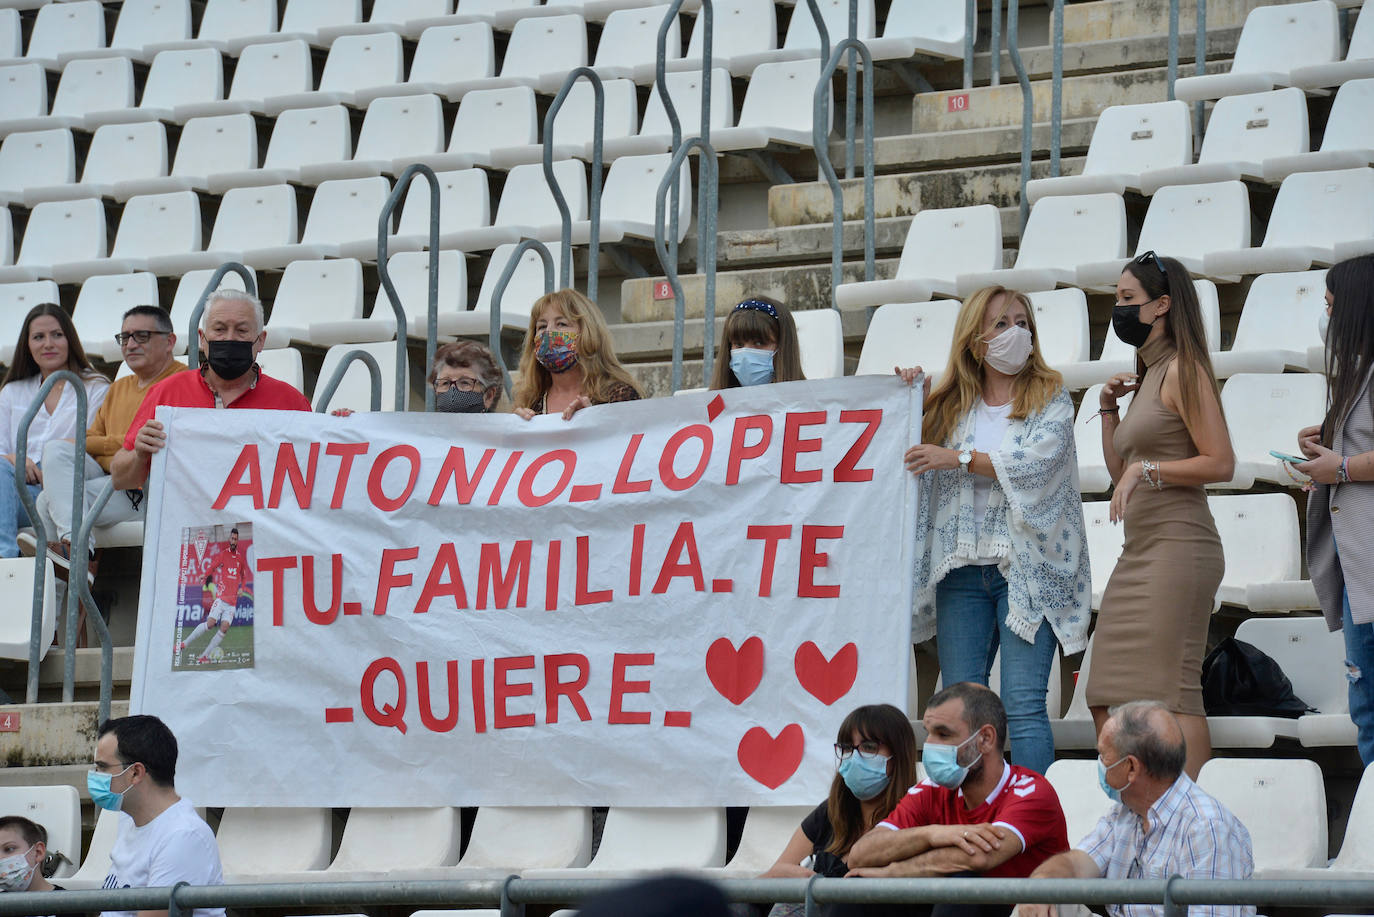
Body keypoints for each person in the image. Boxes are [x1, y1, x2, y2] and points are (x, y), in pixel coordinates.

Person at [900, 285, 1090, 775]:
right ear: (975, 339)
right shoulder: (946, 405)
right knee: (961, 708)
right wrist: (906, 402)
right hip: (960, 572)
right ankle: (971, 823)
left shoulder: (1051, 396)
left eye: (1023, 323)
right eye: (1002, 324)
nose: (1016, 334)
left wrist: (958, 458)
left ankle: (1032, 825)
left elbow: (1034, 466)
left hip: (1027, 570)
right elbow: (896, 458)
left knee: (1024, 706)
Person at [1086, 251, 1234, 780]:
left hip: (1180, 548)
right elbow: (1118, 471)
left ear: (1162, 306)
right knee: (1104, 696)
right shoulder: (1147, 374)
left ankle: (1194, 827)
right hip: (1140, 550)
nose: (1118, 309)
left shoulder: (1185, 369)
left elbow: (1221, 462)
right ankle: (1147, 806)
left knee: (1173, 696)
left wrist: (1147, 469)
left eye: (1128, 300)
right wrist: (1108, 411)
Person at [844, 683, 1069, 917]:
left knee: (962, 883)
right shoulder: (932, 790)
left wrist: (894, 873)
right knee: (855, 894)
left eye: (943, 734)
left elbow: (979, 856)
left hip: (1022, 911)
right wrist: (930, 834)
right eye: (928, 733)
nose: (929, 745)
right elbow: (860, 854)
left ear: (986, 739)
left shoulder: (1031, 791)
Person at [1018, 701, 1254, 917]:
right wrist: (1043, 882)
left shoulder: (1207, 828)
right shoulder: (1125, 813)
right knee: (1034, 904)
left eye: (1103, 755)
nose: (1100, 764)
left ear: (1131, 767)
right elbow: (1075, 863)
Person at [27, 306, 183, 575]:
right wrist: (123, 448)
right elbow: (86, 440)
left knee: (46, 503)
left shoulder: (183, 382)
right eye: (125, 338)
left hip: (149, 491)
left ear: (169, 342)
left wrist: (119, 449)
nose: (131, 345)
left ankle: (71, 569)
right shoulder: (120, 386)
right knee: (56, 451)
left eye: (141, 336)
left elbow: (156, 448)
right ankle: (77, 552)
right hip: (114, 482)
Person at [110, 291, 311, 491]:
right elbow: (120, 480)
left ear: (260, 340)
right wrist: (139, 454)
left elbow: (314, 472)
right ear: (202, 338)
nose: (229, 338)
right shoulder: (166, 393)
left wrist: (341, 428)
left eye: (241, 331)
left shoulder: (291, 401)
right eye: (219, 329)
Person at [1297, 253, 1374, 766]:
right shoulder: (1356, 372)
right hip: (1356, 567)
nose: (1325, 318)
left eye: (1330, 306)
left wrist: (1342, 468)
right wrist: (1324, 445)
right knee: (1365, 710)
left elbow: (1354, 462)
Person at [761, 704, 917, 897]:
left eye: (869, 747)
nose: (855, 757)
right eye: (846, 747)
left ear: (898, 756)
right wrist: (779, 875)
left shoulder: (916, 817)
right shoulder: (830, 812)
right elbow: (763, 885)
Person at [0, 303, 109, 558]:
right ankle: (6, 559)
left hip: (71, 488)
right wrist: (14, 459)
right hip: (20, 491)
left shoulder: (95, 387)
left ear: (69, 339)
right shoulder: (12, 392)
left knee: (56, 453)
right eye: (38, 337)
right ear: (27, 345)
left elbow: (94, 442)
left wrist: (49, 460)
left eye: (57, 335)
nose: (48, 343)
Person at [91, 715, 224, 917]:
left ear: (135, 772)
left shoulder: (183, 836)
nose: (94, 775)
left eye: (102, 767)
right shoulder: (130, 820)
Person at [513, 288, 640, 420]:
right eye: (542, 326)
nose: (548, 332)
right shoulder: (530, 401)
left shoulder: (619, 397)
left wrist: (594, 421)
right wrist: (515, 428)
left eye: (561, 324)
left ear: (588, 334)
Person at [175, 526, 244, 663]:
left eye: (235, 539)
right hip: (221, 598)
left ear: (237, 540)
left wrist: (242, 587)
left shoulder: (240, 558)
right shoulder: (224, 554)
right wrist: (205, 575)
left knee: (224, 628)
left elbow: (244, 576)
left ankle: (203, 656)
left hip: (232, 603)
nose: (233, 541)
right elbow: (213, 565)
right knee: (210, 623)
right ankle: (183, 643)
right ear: (229, 539)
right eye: (232, 538)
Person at [709, 297, 806, 389]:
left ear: (784, 346)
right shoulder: (709, 404)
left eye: (759, 343)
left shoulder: (811, 403)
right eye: (738, 344)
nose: (745, 355)